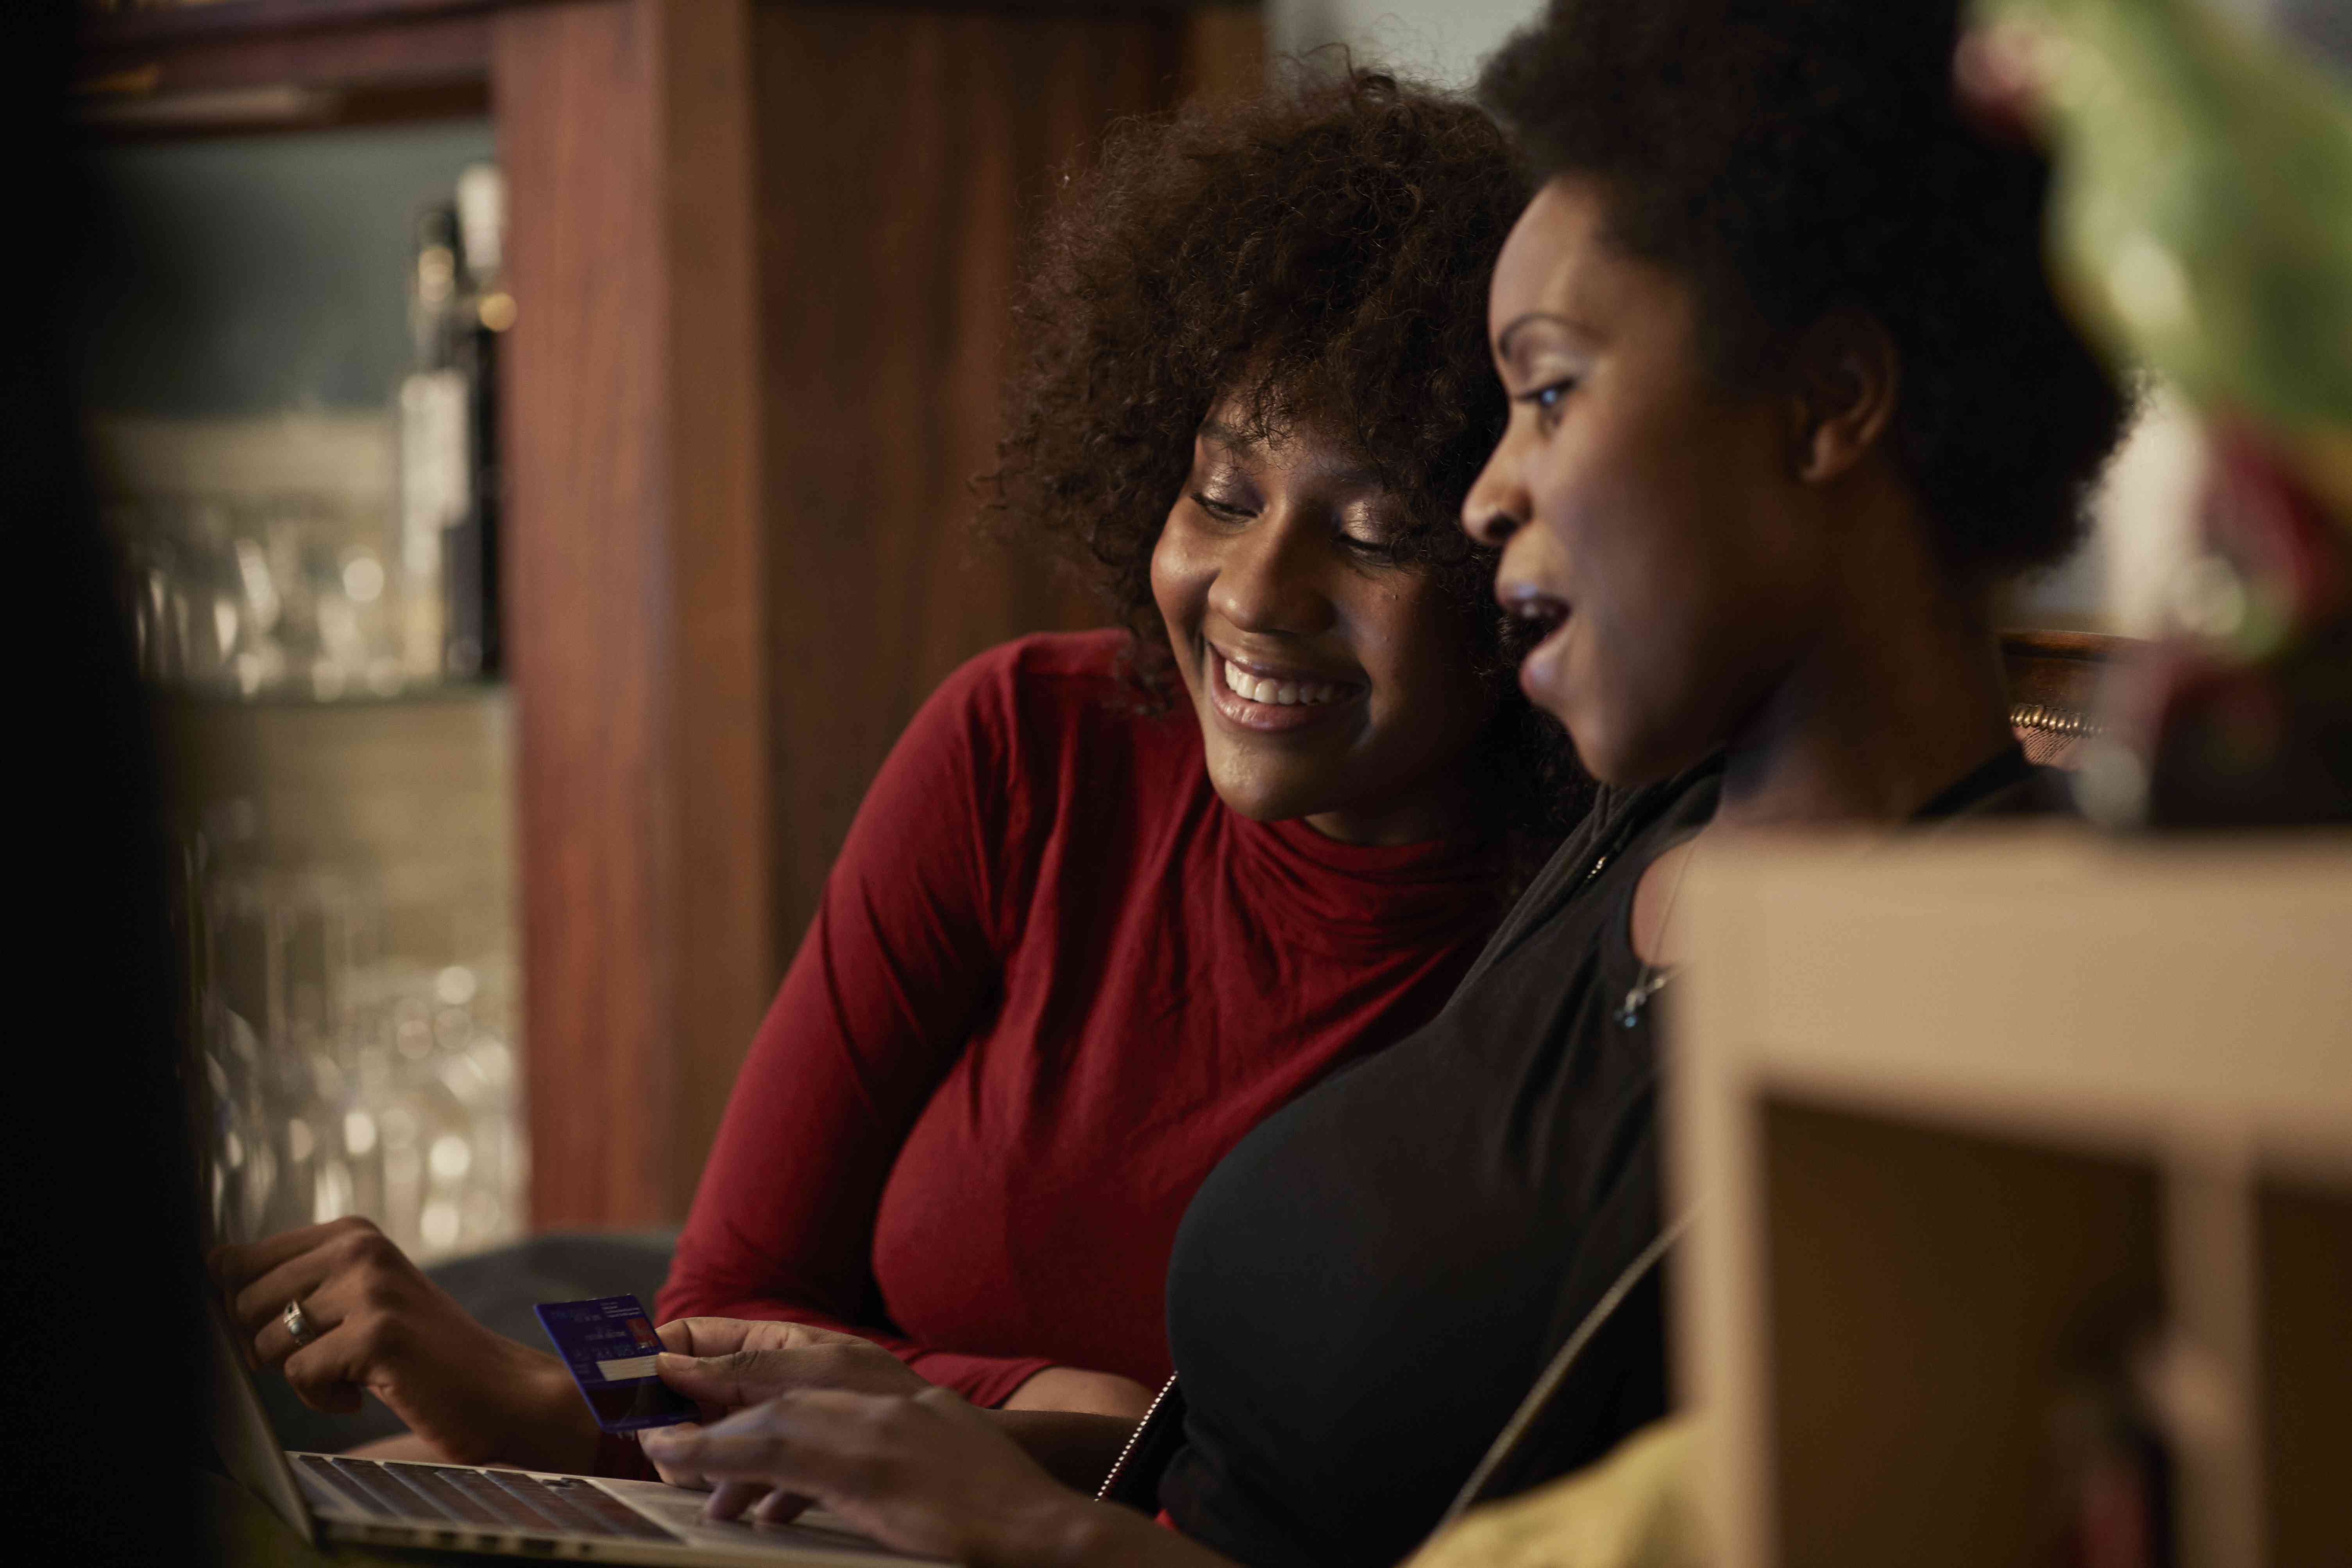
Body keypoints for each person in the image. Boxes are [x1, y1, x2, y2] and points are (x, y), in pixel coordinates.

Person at [621, 2, 2128, 1564]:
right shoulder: (1635, 843)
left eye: (1545, 394)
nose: (1487, 492)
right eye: (1219, 491)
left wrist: (1034, 1529)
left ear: (1825, 409)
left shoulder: (1975, 995)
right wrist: (954, 1433)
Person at [210, 70, 1581, 1472]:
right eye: (1220, 496)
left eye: (1372, 533)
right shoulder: (1028, 745)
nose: (1255, 591)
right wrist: (1061, 1406)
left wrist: (1003, 1421)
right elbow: (715, 1303)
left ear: (1516, 557)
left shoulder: (1582, 936)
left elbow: (1344, 1491)